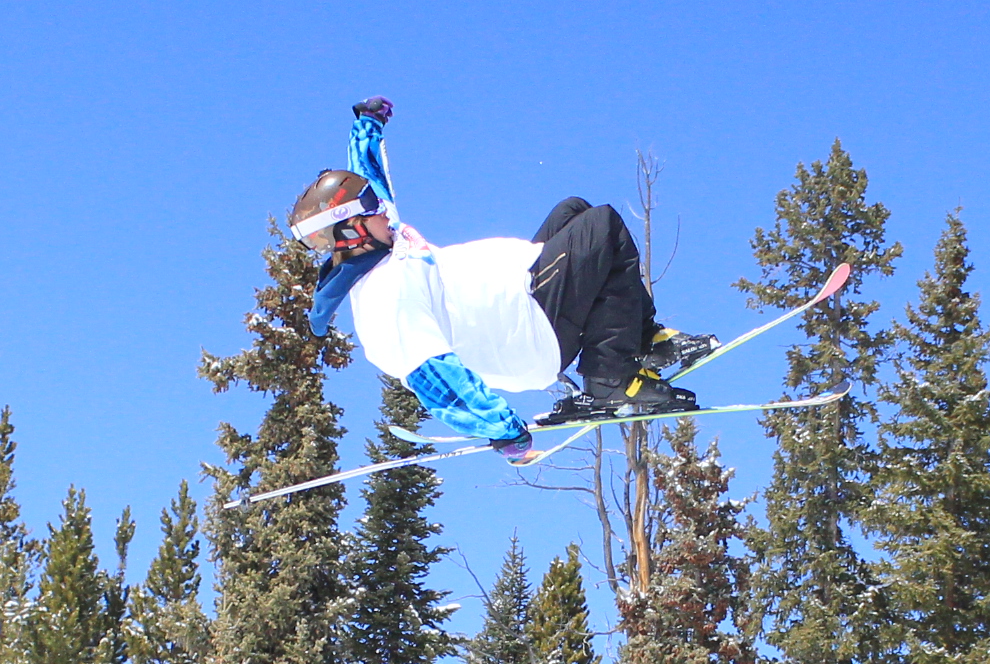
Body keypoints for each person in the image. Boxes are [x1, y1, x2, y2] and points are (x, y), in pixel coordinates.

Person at [295, 99, 714, 452]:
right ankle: (611, 376)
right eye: (372, 207)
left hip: (526, 296)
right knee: (603, 228)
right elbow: (434, 377)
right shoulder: (384, 298)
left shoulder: (380, 239)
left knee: (573, 210)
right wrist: (501, 428)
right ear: (351, 231)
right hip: (530, 331)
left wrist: (367, 125)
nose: (384, 210)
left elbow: (369, 174)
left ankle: (642, 339)